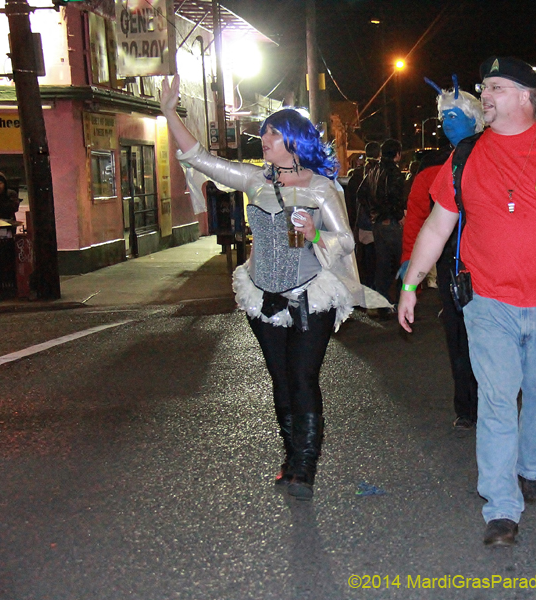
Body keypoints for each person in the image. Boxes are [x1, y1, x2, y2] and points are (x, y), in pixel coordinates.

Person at [398, 56, 536, 547]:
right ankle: (500, 508)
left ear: (525, 96)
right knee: (496, 399)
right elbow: (437, 225)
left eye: (495, 87)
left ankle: (531, 467)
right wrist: (410, 286)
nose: (485, 95)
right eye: (484, 87)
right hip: (488, 299)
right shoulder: (467, 154)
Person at [160, 75, 375, 501]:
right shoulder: (255, 181)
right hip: (264, 295)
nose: (265, 140)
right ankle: (291, 456)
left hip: (311, 294)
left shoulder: (320, 188)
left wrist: (314, 233)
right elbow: (200, 158)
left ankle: (305, 466)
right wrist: (169, 113)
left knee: (303, 376)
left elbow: (347, 241)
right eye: (264, 134)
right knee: (280, 378)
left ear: (294, 141)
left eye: (274, 134)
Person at [400, 78, 485, 429]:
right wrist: (411, 266)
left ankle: (491, 406)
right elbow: (420, 220)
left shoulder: (493, 156)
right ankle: (467, 407)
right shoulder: (434, 168)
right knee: (457, 336)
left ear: (474, 119)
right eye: (444, 117)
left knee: (489, 339)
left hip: (490, 265)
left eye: (454, 116)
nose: (447, 123)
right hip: (452, 265)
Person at [357, 139, 405, 316]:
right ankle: (401, 303)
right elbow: (394, 197)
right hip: (391, 222)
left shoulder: (373, 170)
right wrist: (397, 215)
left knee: (382, 265)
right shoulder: (394, 173)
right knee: (401, 263)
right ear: (397, 154)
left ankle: (381, 304)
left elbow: (361, 193)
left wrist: (373, 212)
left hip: (377, 223)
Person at [353, 142, 380, 288]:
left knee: (364, 260)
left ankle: (365, 288)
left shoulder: (357, 175)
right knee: (374, 261)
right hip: (373, 222)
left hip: (361, 222)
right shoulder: (377, 172)